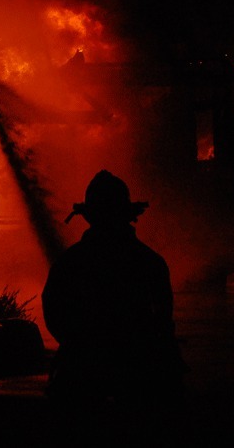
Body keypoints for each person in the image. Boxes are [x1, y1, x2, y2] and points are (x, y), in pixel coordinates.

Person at [42, 170, 187, 443]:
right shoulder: (149, 263)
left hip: (82, 370)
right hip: (138, 371)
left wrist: (80, 344)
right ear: (128, 214)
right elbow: (163, 321)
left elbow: (55, 313)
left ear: (88, 216)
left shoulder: (70, 263)